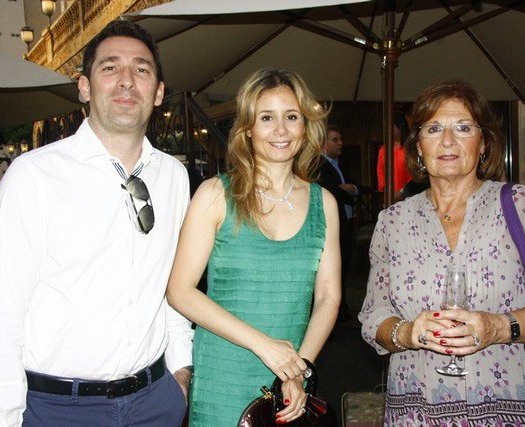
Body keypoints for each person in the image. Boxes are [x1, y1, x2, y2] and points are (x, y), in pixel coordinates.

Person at [0, 20, 194, 426]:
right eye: (110, 67)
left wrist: (181, 370)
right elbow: (1, 320)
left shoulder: (173, 176)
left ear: (159, 92)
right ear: (85, 87)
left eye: (141, 69)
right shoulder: (33, 176)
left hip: (155, 402)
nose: (126, 80)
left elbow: (171, 286)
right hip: (58, 409)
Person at [359, 80, 525, 425]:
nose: (447, 140)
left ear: (483, 143)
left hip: (511, 407)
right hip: (417, 410)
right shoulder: (392, 221)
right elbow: (374, 315)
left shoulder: (523, 205)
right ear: (418, 147)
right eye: (433, 129)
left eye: (463, 127)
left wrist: (497, 327)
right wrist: (408, 333)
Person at [166, 68, 341, 427]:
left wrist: (299, 370)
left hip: (291, 380)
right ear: (248, 128)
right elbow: (180, 291)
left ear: (305, 126)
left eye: (291, 117)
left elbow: (328, 297)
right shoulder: (216, 194)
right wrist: (265, 346)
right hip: (223, 376)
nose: (281, 130)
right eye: (266, 118)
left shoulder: (324, 203)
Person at [315, 124, 359, 324]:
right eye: (335, 140)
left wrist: (351, 189)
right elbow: (331, 191)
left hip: (346, 221)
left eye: (340, 139)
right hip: (332, 223)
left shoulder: (340, 164)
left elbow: (356, 185)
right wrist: (344, 191)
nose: (340, 143)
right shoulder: (318, 164)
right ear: (323, 143)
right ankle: (337, 315)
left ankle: (341, 311)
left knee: (345, 264)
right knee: (334, 266)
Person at [376, 113, 412, 200]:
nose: (386, 130)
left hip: (409, 196)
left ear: (400, 127)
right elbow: (380, 173)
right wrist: (387, 192)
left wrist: (401, 191)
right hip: (390, 198)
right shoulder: (384, 150)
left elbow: (414, 175)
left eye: (390, 126)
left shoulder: (410, 148)